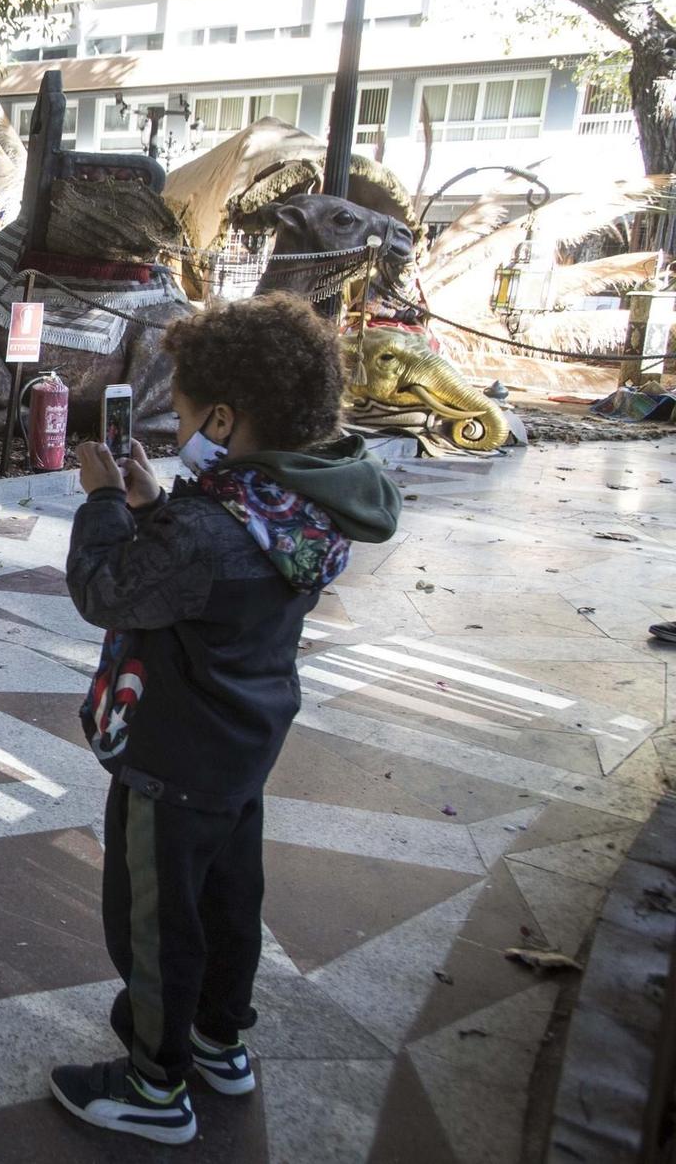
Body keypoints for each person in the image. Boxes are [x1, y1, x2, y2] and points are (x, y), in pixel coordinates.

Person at [49, 295, 401, 1146]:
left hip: (172, 756)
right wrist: (151, 503)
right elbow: (213, 570)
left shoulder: (212, 527)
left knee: (157, 916)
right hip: (242, 747)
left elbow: (109, 589)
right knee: (230, 899)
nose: (177, 427)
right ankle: (219, 1036)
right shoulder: (296, 503)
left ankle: (153, 1081)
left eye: (184, 412)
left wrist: (102, 502)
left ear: (222, 415)